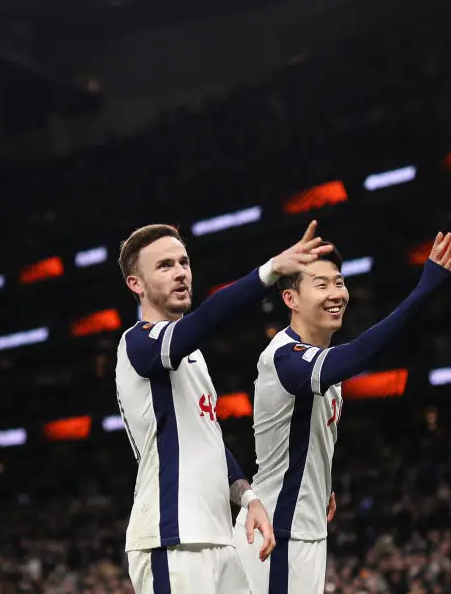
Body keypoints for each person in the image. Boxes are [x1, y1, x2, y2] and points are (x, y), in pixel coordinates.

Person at [114, 220, 334, 594]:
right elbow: (206, 319)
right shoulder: (138, 343)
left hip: (218, 537)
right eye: (164, 266)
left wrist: (250, 499)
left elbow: (210, 439)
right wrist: (270, 271)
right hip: (172, 538)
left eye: (183, 262)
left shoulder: (193, 355)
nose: (181, 272)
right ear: (136, 284)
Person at [234, 232, 451, 594]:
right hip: (277, 531)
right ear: (290, 298)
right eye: (321, 284)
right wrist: (423, 290)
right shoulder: (284, 356)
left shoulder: (319, 361)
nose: (336, 293)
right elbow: (361, 354)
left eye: (339, 283)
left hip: (303, 530)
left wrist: (322, 482)